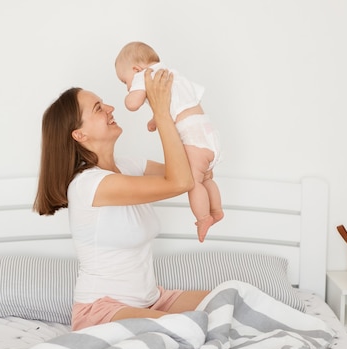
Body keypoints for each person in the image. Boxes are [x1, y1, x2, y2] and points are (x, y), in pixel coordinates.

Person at [34, 68, 209, 331]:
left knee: (232, 299)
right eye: (98, 108)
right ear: (79, 134)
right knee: (188, 329)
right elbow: (180, 182)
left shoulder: (129, 166)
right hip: (101, 311)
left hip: (152, 302)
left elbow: (194, 171)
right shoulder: (88, 186)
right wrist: (160, 114)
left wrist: (178, 111)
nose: (110, 108)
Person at [115, 41, 224, 242]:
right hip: (208, 133)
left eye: (124, 81)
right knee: (207, 178)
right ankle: (217, 210)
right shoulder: (170, 73)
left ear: (136, 69)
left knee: (193, 183)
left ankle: (204, 217)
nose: (128, 85)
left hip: (193, 138)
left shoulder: (144, 76)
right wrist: (155, 119)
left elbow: (132, 103)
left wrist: (129, 96)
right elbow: (178, 104)